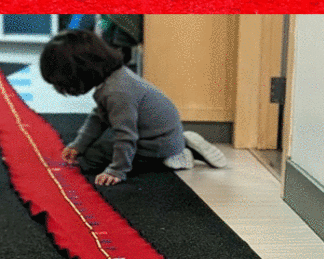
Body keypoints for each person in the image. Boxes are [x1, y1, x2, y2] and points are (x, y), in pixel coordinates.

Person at [39, 28, 226, 186]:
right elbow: (99, 117)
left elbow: (126, 136)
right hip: (157, 133)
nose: (61, 89)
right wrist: (79, 145)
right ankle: (178, 143)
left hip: (156, 143)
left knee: (91, 159)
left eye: (61, 84)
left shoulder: (117, 92)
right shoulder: (114, 78)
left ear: (80, 72)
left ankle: (177, 154)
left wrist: (117, 171)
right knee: (93, 147)